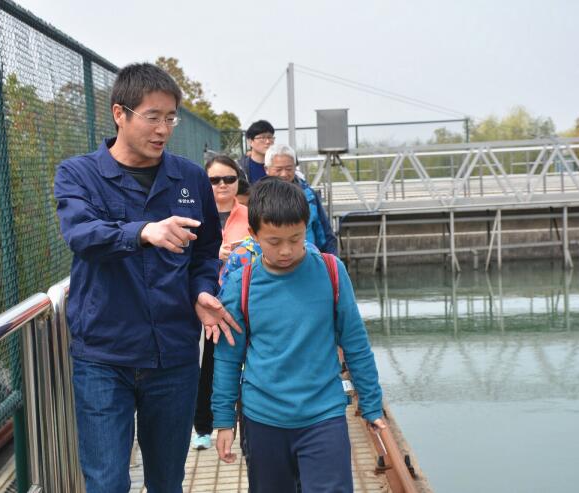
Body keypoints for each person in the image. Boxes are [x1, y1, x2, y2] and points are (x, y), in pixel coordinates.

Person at [53, 62, 239, 493]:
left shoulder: (189, 177)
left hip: (173, 355)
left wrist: (202, 292)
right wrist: (142, 232)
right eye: (152, 117)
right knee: (106, 482)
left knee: (167, 481)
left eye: (171, 118)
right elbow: (81, 234)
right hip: (104, 356)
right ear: (120, 113)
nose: (163, 129)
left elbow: (206, 252)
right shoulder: (79, 174)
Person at [211, 178, 385, 492]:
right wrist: (223, 420)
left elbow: (355, 342)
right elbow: (227, 357)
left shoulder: (331, 272)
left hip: (324, 414)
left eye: (296, 238)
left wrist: (372, 404)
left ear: (307, 227)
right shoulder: (241, 284)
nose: (286, 250)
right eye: (274, 241)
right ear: (253, 235)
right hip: (263, 418)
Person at [192, 155, 250, 450]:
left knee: (242, 362)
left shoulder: (251, 215)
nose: (222, 185)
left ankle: (245, 426)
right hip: (205, 300)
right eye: (214, 180)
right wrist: (216, 255)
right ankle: (203, 426)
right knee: (208, 364)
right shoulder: (194, 215)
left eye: (229, 178)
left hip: (243, 299)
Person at [264, 143, 337, 254]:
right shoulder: (260, 197)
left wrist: (330, 260)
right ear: (266, 169)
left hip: (308, 257)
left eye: (289, 169)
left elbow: (325, 233)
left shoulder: (309, 195)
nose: (284, 174)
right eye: (278, 169)